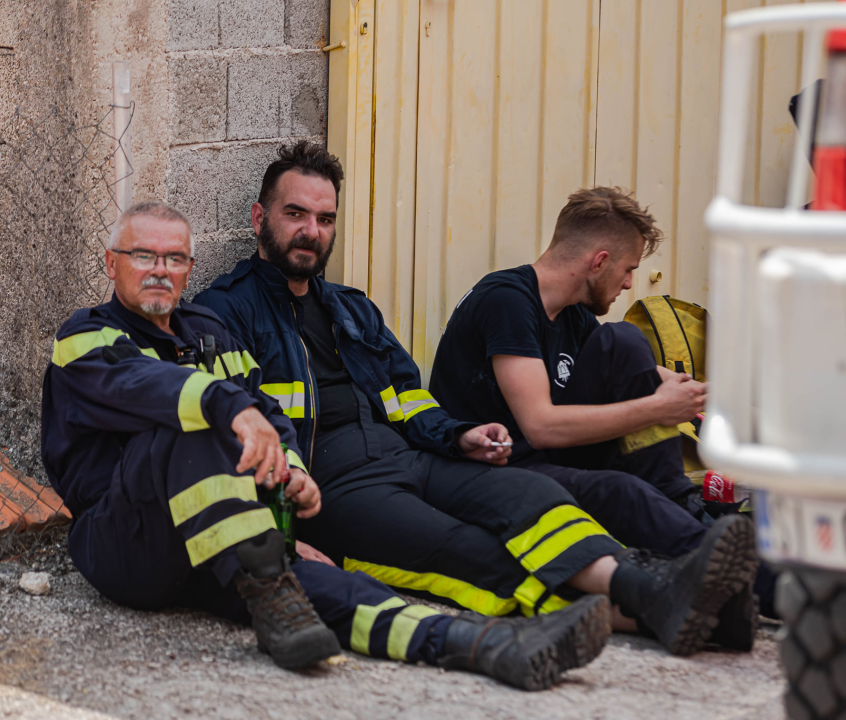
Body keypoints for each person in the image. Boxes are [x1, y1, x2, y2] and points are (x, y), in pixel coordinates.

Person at [194, 141, 759, 657]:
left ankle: (655, 589)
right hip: (333, 491)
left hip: (411, 457)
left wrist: (457, 434)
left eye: (325, 218)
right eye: (296, 214)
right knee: (465, 547)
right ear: (259, 219)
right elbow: (231, 435)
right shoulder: (225, 313)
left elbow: (409, 399)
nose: (311, 231)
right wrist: (283, 535)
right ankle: (663, 615)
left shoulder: (352, 308)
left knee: (528, 492)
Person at [40, 200, 620, 692]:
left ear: (190, 268)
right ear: (111, 263)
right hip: (124, 544)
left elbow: (268, 414)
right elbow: (151, 388)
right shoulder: (85, 336)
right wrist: (231, 408)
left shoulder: (210, 335)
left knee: (344, 591)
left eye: (175, 258)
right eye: (144, 256)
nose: (160, 270)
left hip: (219, 545)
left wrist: (290, 480)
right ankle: (269, 578)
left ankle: (484, 646)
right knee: (187, 422)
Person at [428, 186, 776, 619]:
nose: (630, 282)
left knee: (625, 341)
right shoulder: (507, 300)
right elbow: (540, 426)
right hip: (491, 467)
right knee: (623, 491)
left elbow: (647, 377)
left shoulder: (573, 313)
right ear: (599, 261)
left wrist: (703, 398)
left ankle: (680, 503)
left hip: (545, 457)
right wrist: (658, 408)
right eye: (628, 269)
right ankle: (765, 587)